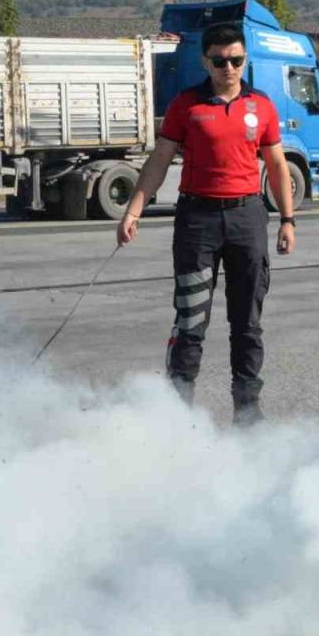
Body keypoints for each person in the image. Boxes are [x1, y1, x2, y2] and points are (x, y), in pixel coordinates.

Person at [116, 22, 297, 426]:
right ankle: (178, 413)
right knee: (191, 319)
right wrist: (133, 211)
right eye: (219, 61)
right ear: (206, 61)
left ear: (244, 59)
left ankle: (247, 412)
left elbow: (277, 166)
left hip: (247, 218)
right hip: (197, 221)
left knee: (247, 322)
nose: (228, 68)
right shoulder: (187, 105)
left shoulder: (262, 105)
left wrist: (287, 220)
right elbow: (159, 162)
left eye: (235, 60)